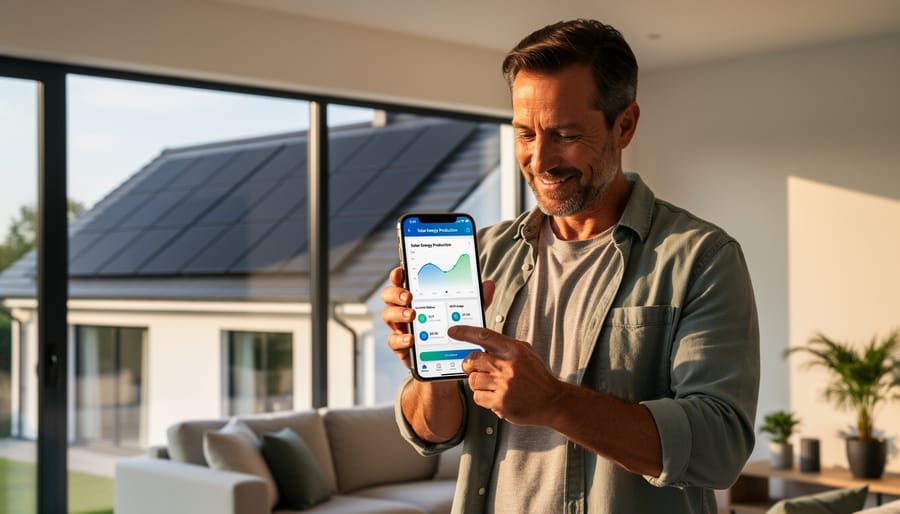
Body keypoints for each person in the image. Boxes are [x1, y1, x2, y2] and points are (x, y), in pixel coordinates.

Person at [381, 18, 759, 514]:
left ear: (625, 125)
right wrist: (431, 371)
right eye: (525, 133)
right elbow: (435, 433)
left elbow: (719, 448)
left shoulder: (700, 258)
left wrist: (555, 402)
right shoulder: (486, 254)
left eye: (564, 134)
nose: (540, 159)